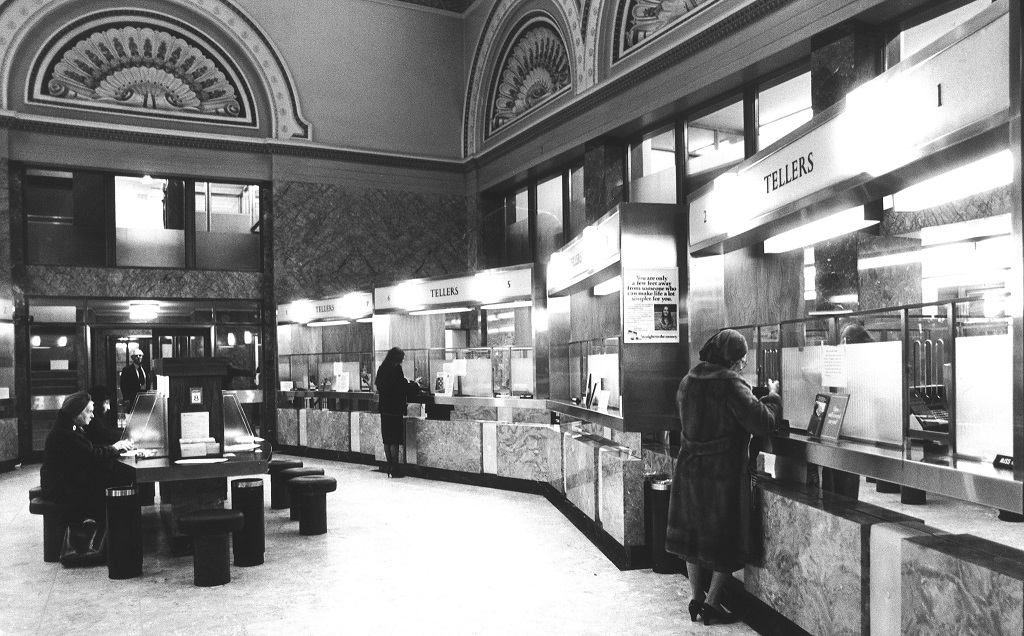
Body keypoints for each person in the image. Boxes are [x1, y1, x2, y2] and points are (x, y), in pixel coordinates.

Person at [665, 329, 782, 625]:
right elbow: (762, 421)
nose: (742, 365)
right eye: (741, 360)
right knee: (724, 540)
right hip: (721, 475)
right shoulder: (730, 383)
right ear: (731, 359)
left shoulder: (689, 380)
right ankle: (713, 604)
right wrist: (773, 397)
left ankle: (696, 598)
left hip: (689, 469)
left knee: (693, 537)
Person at [40, 391, 134, 561]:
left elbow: (87, 449)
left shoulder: (68, 427)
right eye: (89, 411)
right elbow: (90, 455)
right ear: (77, 412)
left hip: (64, 481)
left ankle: (113, 538)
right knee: (112, 483)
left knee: (112, 477)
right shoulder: (65, 433)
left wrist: (113, 447)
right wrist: (115, 448)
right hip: (61, 488)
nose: (92, 415)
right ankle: (114, 542)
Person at [374, 347, 422, 478]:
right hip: (394, 409)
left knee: (387, 440)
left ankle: (389, 465)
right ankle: (395, 468)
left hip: (384, 409)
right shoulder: (396, 369)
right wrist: (415, 385)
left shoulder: (382, 368)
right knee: (394, 439)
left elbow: (379, 385)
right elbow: (402, 387)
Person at [119, 348, 150, 413]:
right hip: (132, 399)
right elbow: (123, 385)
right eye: (136, 356)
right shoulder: (127, 370)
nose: (138, 357)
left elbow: (148, 383)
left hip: (144, 399)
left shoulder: (145, 369)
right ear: (132, 358)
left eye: (140, 355)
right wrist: (126, 398)